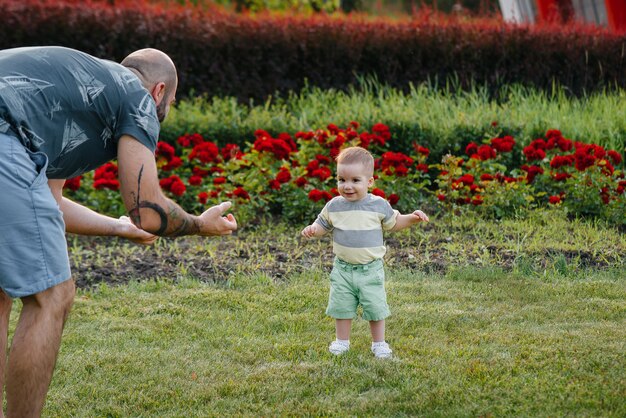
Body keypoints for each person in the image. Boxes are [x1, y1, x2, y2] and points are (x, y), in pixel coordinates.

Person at [0, 46, 237, 417]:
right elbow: (147, 210)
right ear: (159, 92)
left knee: (1, 292)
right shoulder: (135, 94)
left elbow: (49, 203)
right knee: (51, 296)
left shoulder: (73, 93)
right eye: (171, 102)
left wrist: (120, 229)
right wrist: (198, 225)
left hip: (8, 137)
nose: (165, 111)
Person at [301, 146, 429, 359]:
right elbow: (322, 224)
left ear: (369, 182)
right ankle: (342, 341)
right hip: (343, 268)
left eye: (355, 180)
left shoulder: (378, 205)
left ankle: (379, 343)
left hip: (370, 269)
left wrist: (412, 218)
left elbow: (394, 223)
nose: (347, 186)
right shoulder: (334, 206)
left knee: (375, 306)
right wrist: (314, 230)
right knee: (341, 306)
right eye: (341, 180)